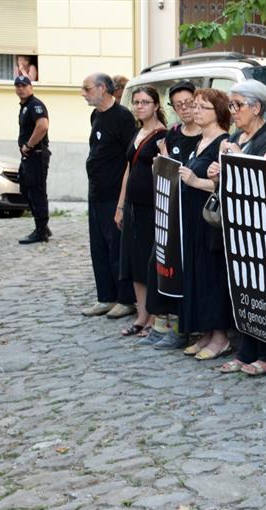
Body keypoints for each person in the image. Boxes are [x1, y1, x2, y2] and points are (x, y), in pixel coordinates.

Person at [207, 80, 266, 373]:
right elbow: (230, 181)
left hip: (261, 228)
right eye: (231, 104)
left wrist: (238, 158)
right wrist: (216, 174)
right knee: (243, 290)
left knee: (262, 292)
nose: (233, 111)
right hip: (238, 226)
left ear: (256, 107)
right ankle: (246, 350)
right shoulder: (236, 136)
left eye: (238, 105)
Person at [142, 80, 202, 349]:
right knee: (157, 266)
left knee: (182, 273)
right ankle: (161, 322)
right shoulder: (174, 134)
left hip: (191, 214)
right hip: (169, 211)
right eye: (178, 105)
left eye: (189, 103)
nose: (185, 108)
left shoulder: (206, 136)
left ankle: (180, 328)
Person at [178, 88, 233, 360]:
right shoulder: (200, 140)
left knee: (213, 277)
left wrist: (195, 181)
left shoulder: (224, 142)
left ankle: (221, 337)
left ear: (218, 111)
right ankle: (207, 332)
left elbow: (224, 183)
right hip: (192, 218)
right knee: (198, 275)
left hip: (211, 221)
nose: (195, 111)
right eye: (195, 106)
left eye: (202, 107)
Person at [81, 73, 138, 319]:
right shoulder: (96, 115)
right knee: (99, 248)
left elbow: (130, 158)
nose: (83, 93)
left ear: (102, 88)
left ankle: (125, 299)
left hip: (114, 193)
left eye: (87, 88)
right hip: (96, 190)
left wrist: (122, 203)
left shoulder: (122, 117)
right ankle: (106, 296)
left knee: (117, 248)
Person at [114, 86, 167, 338]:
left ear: (156, 105)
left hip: (152, 206)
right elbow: (128, 170)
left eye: (145, 102)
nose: (140, 106)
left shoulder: (162, 135)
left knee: (148, 260)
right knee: (133, 259)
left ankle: (154, 317)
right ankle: (141, 314)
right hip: (133, 205)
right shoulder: (137, 132)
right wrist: (120, 205)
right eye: (136, 102)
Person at [14, 75, 52, 244]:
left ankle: (41, 231)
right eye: (18, 86)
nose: (21, 88)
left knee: (36, 192)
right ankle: (43, 225)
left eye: (24, 85)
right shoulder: (25, 106)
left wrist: (29, 145)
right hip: (29, 156)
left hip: (36, 154)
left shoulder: (35, 105)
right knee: (26, 189)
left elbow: (42, 126)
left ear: (31, 87)